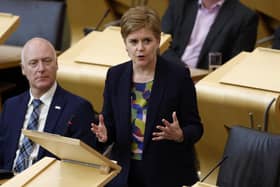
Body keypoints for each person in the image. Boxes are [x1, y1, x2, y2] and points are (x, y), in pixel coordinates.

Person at [91, 6, 203, 187]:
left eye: (147, 41)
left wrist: (180, 134)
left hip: (167, 174)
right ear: (125, 44)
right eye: (133, 42)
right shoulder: (115, 75)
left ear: (158, 41)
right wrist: (105, 134)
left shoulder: (178, 76)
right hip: (125, 174)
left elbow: (196, 127)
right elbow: (109, 124)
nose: (140, 48)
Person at [0, 37, 97, 173]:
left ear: (57, 64)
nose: (41, 69)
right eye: (33, 63)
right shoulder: (11, 106)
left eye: (47, 61)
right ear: (23, 69)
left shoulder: (78, 108)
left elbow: (83, 167)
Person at [161, 0, 259, 69]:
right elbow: (160, 43)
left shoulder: (245, 18)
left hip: (206, 85)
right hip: (170, 72)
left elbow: (235, 65)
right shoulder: (180, 3)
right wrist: (181, 70)